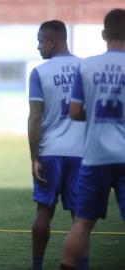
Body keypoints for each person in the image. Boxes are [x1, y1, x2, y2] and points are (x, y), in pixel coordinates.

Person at [60, 8, 125, 270]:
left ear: (103, 34)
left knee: (83, 222)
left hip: (95, 156)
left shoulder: (86, 66)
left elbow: (75, 111)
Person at [27, 20, 88, 270]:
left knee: (44, 211)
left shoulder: (39, 72)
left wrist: (34, 157)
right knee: (80, 218)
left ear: (52, 41)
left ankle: (37, 266)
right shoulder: (87, 68)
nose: (38, 47)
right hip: (81, 153)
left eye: (40, 41)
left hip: (50, 152)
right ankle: (82, 266)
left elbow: (35, 118)